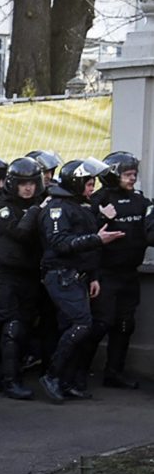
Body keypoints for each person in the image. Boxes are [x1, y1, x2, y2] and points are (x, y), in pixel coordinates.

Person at [37, 158, 125, 403]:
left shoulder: (82, 207)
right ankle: (52, 376)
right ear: (75, 183)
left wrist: (93, 276)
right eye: (88, 183)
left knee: (73, 327)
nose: (92, 188)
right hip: (60, 275)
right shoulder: (57, 208)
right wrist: (98, 240)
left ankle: (66, 381)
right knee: (81, 325)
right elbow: (60, 243)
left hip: (79, 276)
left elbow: (88, 245)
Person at [84, 152, 154, 389]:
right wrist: (99, 217)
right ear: (114, 175)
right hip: (105, 273)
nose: (132, 178)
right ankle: (78, 371)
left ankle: (114, 373)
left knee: (125, 324)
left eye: (134, 174)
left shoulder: (140, 201)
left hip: (129, 274)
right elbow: (84, 236)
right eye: (127, 174)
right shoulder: (99, 200)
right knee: (100, 323)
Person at [0, 157, 44, 400]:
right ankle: (8, 380)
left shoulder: (37, 205)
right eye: (23, 183)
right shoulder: (2, 208)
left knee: (25, 325)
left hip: (30, 274)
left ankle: (9, 374)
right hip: (7, 274)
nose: (28, 188)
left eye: (32, 182)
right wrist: (35, 210)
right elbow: (20, 232)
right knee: (10, 325)